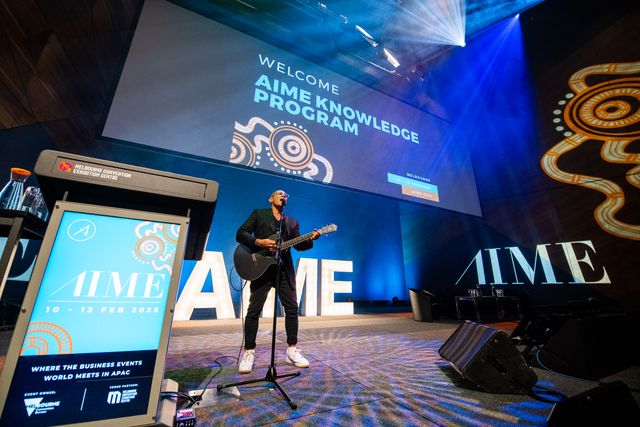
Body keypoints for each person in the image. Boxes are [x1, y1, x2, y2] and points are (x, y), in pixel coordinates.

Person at [236, 189, 319, 374]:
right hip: (261, 269)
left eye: (286, 195)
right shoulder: (259, 214)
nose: (283, 195)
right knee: (253, 311)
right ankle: (249, 352)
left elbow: (299, 246)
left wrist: (311, 239)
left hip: (283, 270)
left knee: (292, 308)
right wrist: (258, 242)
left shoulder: (292, 222)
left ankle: (292, 350)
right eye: (279, 193)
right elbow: (240, 233)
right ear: (271, 198)